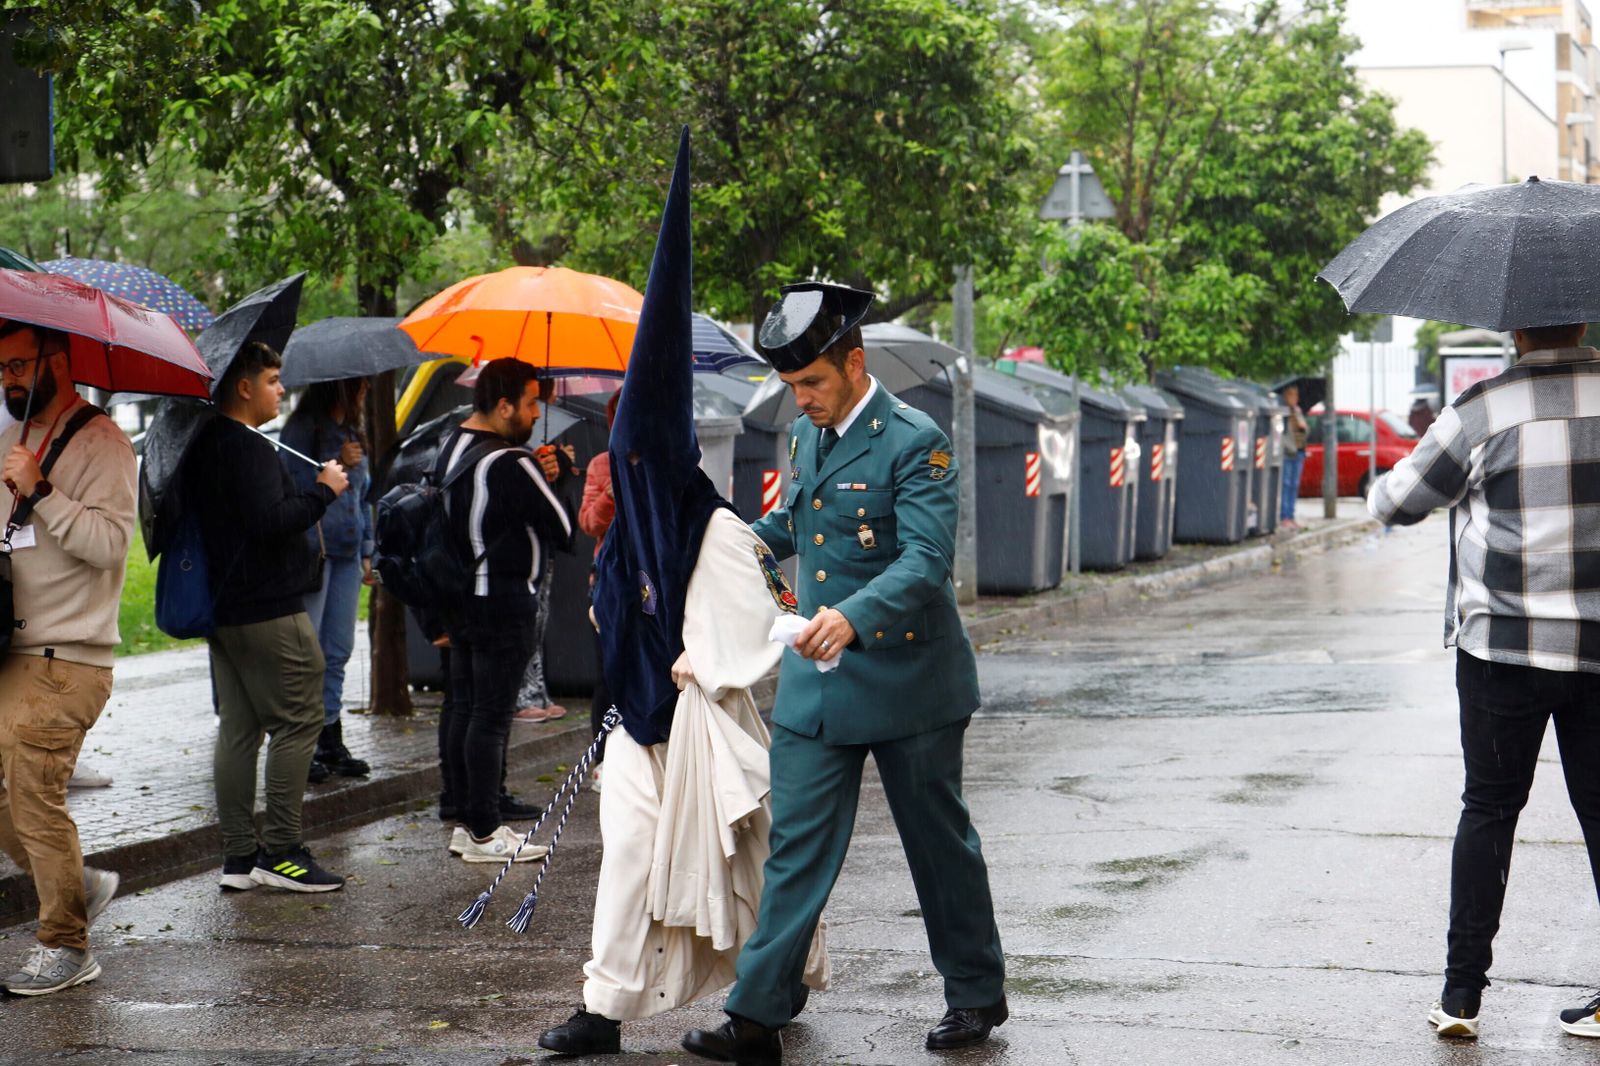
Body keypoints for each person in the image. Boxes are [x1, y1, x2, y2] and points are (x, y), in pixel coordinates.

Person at [539, 140, 827, 1055]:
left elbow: (751, 626)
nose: (623, 474)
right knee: (628, 865)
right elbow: (611, 613)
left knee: (742, 869)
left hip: (705, 726)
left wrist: (701, 658)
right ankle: (603, 1010)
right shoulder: (626, 527)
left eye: (634, 464)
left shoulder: (719, 529)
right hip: (635, 725)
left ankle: (767, 1005)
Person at [682, 283, 1007, 1065]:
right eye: (793, 387)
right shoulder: (806, 436)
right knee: (796, 846)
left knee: (938, 846)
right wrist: (720, 543)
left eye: (814, 383)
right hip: (817, 682)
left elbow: (927, 558)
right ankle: (758, 1014)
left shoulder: (914, 439)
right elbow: (793, 525)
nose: (802, 399)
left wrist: (855, 614)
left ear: (854, 363)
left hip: (909, 682)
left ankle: (974, 992)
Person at [1367, 322, 1600, 1040]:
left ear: (1516, 328)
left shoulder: (1482, 411)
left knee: (1489, 811)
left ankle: (1462, 996)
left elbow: (1395, 503)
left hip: (1502, 650)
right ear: (1583, 320)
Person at [187, 341, 350, 894]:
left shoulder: (204, 443)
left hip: (224, 608)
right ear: (244, 387)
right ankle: (282, 850)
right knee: (301, 720)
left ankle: (239, 855)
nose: (281, 389)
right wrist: (323, 493)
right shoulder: (246, 447)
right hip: (267, 607)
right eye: (274, 379)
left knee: (239, 727)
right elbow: (270, 522)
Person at [0, 320, 130, 995]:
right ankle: (77, 884)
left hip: (67, 657)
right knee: (9, 800)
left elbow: (110, 546)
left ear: (60, 357)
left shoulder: (104, 444)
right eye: (2, 368)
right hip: (13, 650)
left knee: (34, 797)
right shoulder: (12, 441)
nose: (10, 378)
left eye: (21, 363)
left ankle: (67, 944)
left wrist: (42, 490)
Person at [437, 358, 572, 864]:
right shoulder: (512, 462)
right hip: (504, 599)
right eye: (532, 402)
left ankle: (467, 818)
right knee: (492, 718)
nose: (536, 413)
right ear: (504, 405)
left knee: (467, 708)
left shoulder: (450, 445)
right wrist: (551, 473)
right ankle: (486, 831)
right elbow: (562, 528)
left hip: (457, 596)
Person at [281, 377, 374, 779]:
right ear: (340, 387)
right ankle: (302, 743)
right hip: (314, 554)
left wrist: (369, 549)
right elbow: (291, 487)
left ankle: (330, 735)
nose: (365, 392)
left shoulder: (353, 432)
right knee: (310, 653)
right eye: (361, 386)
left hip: (348, 553)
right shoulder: (303, 430)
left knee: (338, 649)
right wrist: (335, 460)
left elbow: (364, 495)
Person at [574, 389, 620, 792]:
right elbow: (589, 522)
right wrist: (612, 489)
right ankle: (603, 759)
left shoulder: (668, 459)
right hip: (608, 582)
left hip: (653, 583)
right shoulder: (602, 465)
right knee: (607, 674)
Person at [1278, 384, 1308, 530]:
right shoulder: (1283, 413)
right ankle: (1284, 516)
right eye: (1291, 394)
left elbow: (1304, 433)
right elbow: (1281, 436)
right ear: (1285, 396)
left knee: (1294, 485)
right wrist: (1289, 448)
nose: (1294, 398)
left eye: (1296, 395)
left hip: (1299, 452)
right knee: (1286, 484)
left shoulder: (1297, 412)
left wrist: (1303, 425)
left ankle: (1291, 515)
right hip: (1288, 453)